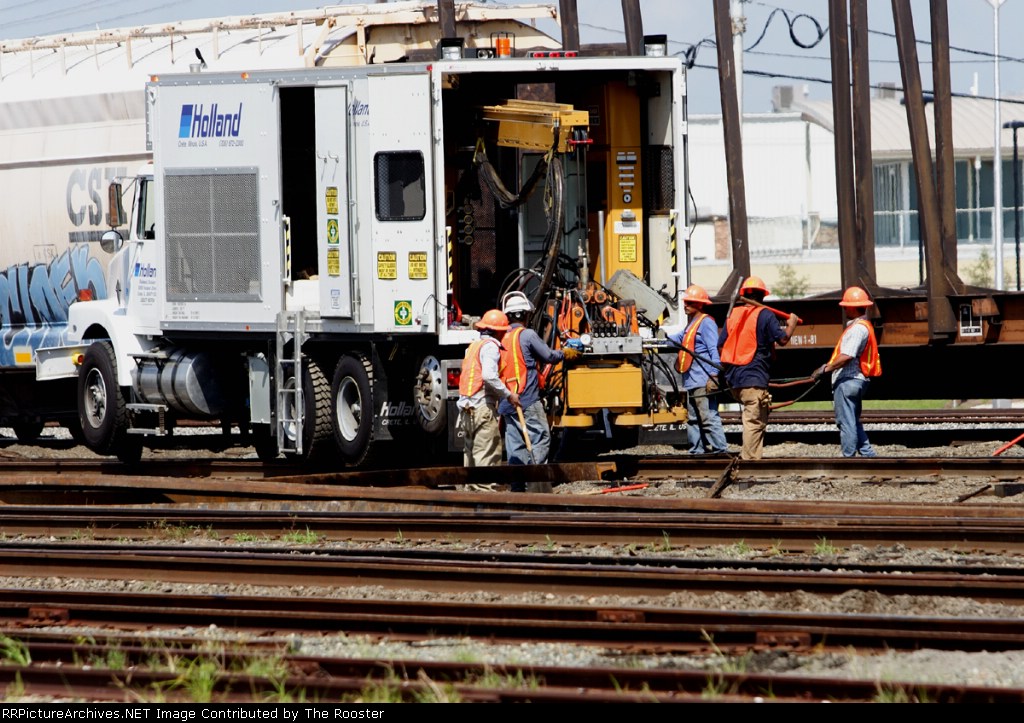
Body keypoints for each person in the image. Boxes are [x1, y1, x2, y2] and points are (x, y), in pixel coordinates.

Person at [498, 292, 580, 482]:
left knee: (515, 444)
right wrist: (565, 353)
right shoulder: (526, 335)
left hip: (508, 400)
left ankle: (518, 484)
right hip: (527, 400)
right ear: (524, 315)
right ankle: (535, 479)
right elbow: (548, 356)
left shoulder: (502, 336)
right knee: (540, 436)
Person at [717, 276, 799, 460]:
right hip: (753, 379)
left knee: (755, 420)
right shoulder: (765, 314)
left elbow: (720, 346)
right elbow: (783, 339)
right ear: (762, 296)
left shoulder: (733, 315)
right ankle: (750, 464)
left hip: (735, 380)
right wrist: (791, 325)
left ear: (744, 294)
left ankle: (752, 459)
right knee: (754, 422)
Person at [811, 286, 881, 457]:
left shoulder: (858, 329)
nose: (843, 308)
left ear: (851, 307)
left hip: (849, 379)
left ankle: (848, 459)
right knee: (853, 421)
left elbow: (847, 356)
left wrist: (824, 369)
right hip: (856, 380)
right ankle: (868, 454)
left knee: (846, 422)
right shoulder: (863, 326)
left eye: (845, 305)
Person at [668, 284, 728, 455]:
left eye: (690, 302)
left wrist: (714, 375)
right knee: (693, 419)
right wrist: (656, 338)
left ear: (700, 304)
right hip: (691, 381)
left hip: (703, 380)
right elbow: (676, 339)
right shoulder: (691, 325)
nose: (685, 305)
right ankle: (697, 451)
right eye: (686, 302)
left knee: (708, 417)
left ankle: (720, 451)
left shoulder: (706, 323)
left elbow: (713, 351)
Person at [457, 309, 521, 469]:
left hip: (467, 409)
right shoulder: (491, 347)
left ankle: (471, 493)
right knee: (487, 459)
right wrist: (509, 395)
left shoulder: (473, 346)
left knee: (471, 458)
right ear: (499, 332)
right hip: (481, 410)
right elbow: (489, 375)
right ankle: (485, 493)